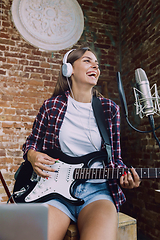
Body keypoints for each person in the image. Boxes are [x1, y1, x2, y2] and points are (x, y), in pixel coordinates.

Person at [22, 46, 141, 240]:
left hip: (97, 192)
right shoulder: (52, 107)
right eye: (87, 61)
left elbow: (115, 158)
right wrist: (32, 155)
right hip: (54, 191)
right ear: (68, 70)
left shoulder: (109, 109)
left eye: (97, 63)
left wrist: (125, 177)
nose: (95, 65)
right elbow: (32, 142)